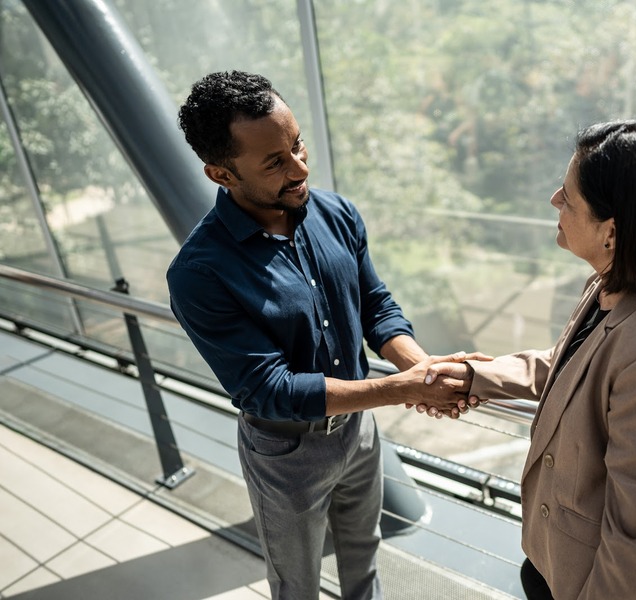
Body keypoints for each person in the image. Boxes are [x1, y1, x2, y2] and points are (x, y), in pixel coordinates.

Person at [167, 70, 472, 600]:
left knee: (365, 554)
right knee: (297, 583)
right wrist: (403, 389)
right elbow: (270, 389)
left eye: (298, 144)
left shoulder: (337, 213)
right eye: (274, 162)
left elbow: (375, 305)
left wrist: (422, 368)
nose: (300, 168)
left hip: (360, 431)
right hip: (286, 455)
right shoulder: (199, 272)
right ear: (221, 174)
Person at [425, 120, 636, 599]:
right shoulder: (626, 278)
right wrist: (475, 376)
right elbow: (576, 367)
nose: (554, 200)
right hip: (558, 560)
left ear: (611, 232)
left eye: (568, 198)